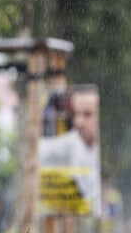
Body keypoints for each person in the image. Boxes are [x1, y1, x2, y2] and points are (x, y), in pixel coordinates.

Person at [39, 87, 102, 216]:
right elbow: (40, 149)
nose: (78, 122)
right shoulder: (72, 141)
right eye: (76, 114)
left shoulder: (103, 150)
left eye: (87, 114)